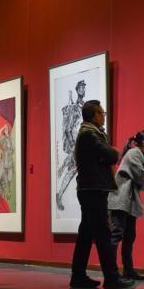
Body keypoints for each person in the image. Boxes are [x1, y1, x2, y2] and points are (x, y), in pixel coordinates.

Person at [71, 100, 133, 289]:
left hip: (89, 189)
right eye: (101, 113)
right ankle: (112, 278)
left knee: (86, 234)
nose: (103, 116)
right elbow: (111, 155)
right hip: (93, 190)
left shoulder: (89, 133)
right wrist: (114, 151)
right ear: (93, 115)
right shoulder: (89, 134)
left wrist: (110, 153)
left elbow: (105, 156)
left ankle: (78, 276)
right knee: (103, 233)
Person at [108, 130, 144, 281]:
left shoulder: (140, 154)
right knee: (117, 235)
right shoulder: (134, 153)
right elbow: (141, 175)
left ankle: (128, 270)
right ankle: (111, 272)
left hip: (128, 201)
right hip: (120, 199)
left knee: (129, 236)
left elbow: (141, 177)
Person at [56, 80, 86, 211]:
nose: (82, 90)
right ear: (77, 90)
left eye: (84, 88)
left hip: (83, 146)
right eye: (80, 88)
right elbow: (68, 129)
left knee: (75, 170)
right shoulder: (74, 108)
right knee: (73, 171)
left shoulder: (84, 106)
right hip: (77, 145)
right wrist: (73, 145)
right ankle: (59, 195)